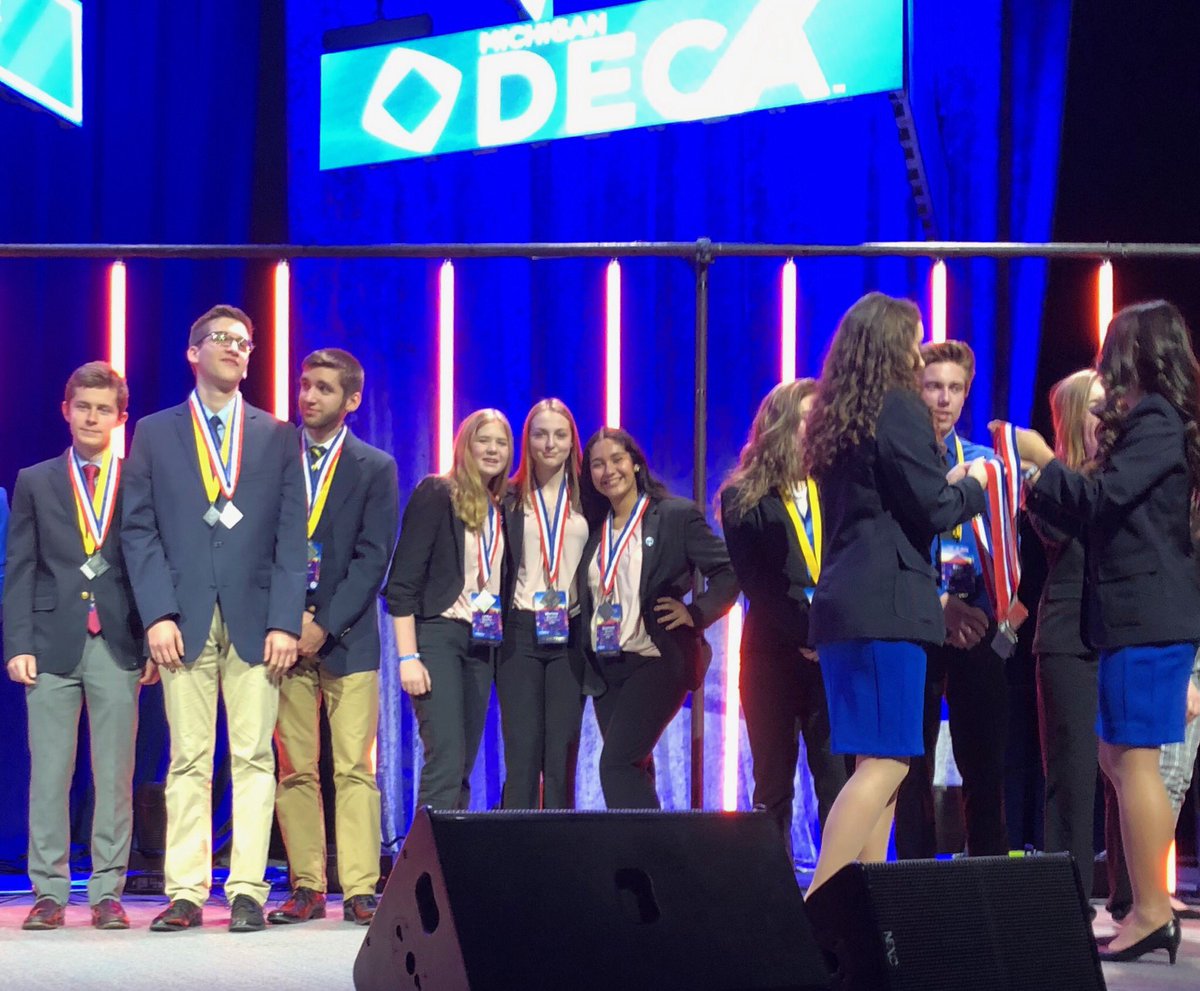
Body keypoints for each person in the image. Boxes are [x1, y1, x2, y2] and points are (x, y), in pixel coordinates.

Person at [1010, 300, 1200, 963]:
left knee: (1132, 758)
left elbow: (1100, 500)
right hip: (1136, 617)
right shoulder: (1161, 422)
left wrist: (1038, 460)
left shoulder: (1157, 421)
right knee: (1121, 758)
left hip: (1148, 616)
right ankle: (1148, 908)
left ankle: (1150, 909)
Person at [122, 305, 306, 933]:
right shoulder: (153, 432)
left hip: (258, 620)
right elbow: (138, 530)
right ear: (193, 352)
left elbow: (291, 536)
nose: (237, 349)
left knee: (254, 755)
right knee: (188, 757)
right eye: (223, 340)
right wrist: (157, 614)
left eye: (246, 342)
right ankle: (186, 891)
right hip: (182, 618)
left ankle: (249, 888)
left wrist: (286, 619)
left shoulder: (279, 435)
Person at [801, 292, 988, 896]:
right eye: (912, 339)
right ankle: (822, 902)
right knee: (888, 763)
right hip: (888, 608)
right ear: (890, 345)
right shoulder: (898, 408)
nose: (917, 351)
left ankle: (863, 904)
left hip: (844, 609)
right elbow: (933, 507)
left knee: (871, 764)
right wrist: (978, 486)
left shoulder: (839, 416)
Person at [3, 362, 153, 931]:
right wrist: (18, 640)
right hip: (48, 643)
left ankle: (107, 892)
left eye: (104, 409)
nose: (93, 417)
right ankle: (48, 892)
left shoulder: (137, 478)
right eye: (82, 407)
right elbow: (19, 568)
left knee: (114, 772)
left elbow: (147, 565)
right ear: (66, 411)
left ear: (121, 417)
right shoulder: (35, 479)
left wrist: (149, 640)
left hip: (117, 643)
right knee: (50, 773)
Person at [269, 349, 399, 927]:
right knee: (295, 766)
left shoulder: (375, 466)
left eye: (323, 388)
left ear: (351, 400)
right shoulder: (271, 457)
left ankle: (361, 887)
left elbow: (374, 559)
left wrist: (324, 625)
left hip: (347, 638)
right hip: (281, 635)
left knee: (354, 767)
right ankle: (305, 885)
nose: (308, 396)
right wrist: (287, 620)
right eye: (304, 385)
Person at [718, 378, 849, 860]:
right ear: (779, 426)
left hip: (831, 655)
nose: (816, 430)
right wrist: (806, 633)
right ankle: (770, 892)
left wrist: (827, 634)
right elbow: (760, 585)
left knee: (836, 779)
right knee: (772, 783)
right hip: (772, 654)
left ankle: (838, 887)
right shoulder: (743, 497)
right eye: (806, 420)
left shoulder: (837, 488)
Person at [578, 427, 738, 809]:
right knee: (634, 766)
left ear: (635, 463)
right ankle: (644, 862)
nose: (608, 471)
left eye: (616, 460)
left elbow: (729, 571)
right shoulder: (594, 527)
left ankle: (651, 855)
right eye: (597, 465)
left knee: (615, 765)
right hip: (607, 665)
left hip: (658, 658)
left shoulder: (674, 516)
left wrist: (696, 613)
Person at [895, 341, 1009, 858]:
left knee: (983, 761)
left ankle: (987, 873)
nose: (943, 398)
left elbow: (1005, 551)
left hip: (975, 628)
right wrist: (938, 603)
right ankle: (915, 879)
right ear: (915, 390)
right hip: (916, 623)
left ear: (966, 394)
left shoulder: (985, 463)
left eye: (955, 388)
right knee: (910, 761)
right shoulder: (899, 461)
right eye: (933, 386)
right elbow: (891, 548)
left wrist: (986, 613)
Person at [385, 409, 513, 810]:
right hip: (438, 636)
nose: (493, 449)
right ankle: (421, 871)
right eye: (484, 440)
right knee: (444, 760)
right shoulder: (438, 493)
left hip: (482, 643)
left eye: (502, 442)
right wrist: (408, 657)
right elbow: (402, 583)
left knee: (461, 765)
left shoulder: (503, 507)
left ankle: (448, 865)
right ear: (465, 445)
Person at [1029, 370, 1104, 907]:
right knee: (1073, 777)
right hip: (1068, 639)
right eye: (1099, 407)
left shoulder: (1133, 474)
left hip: (1125, 637)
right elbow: (1067, 530)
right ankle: (1066, 900)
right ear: (1076, 416)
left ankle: (1130, 898)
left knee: (1132, 773)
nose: (1111, 416)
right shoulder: (1047, 485)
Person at [497, 399, 590, 809]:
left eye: (560, 434)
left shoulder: (592, 497)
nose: (549, 444)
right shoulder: (507, 496)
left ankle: (559, 861)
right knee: (521, 756)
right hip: (519, 632)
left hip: (571, 633)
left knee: (561, 757)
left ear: (573, 441)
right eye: (540, 434)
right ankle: (513, 864)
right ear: (527, 441)